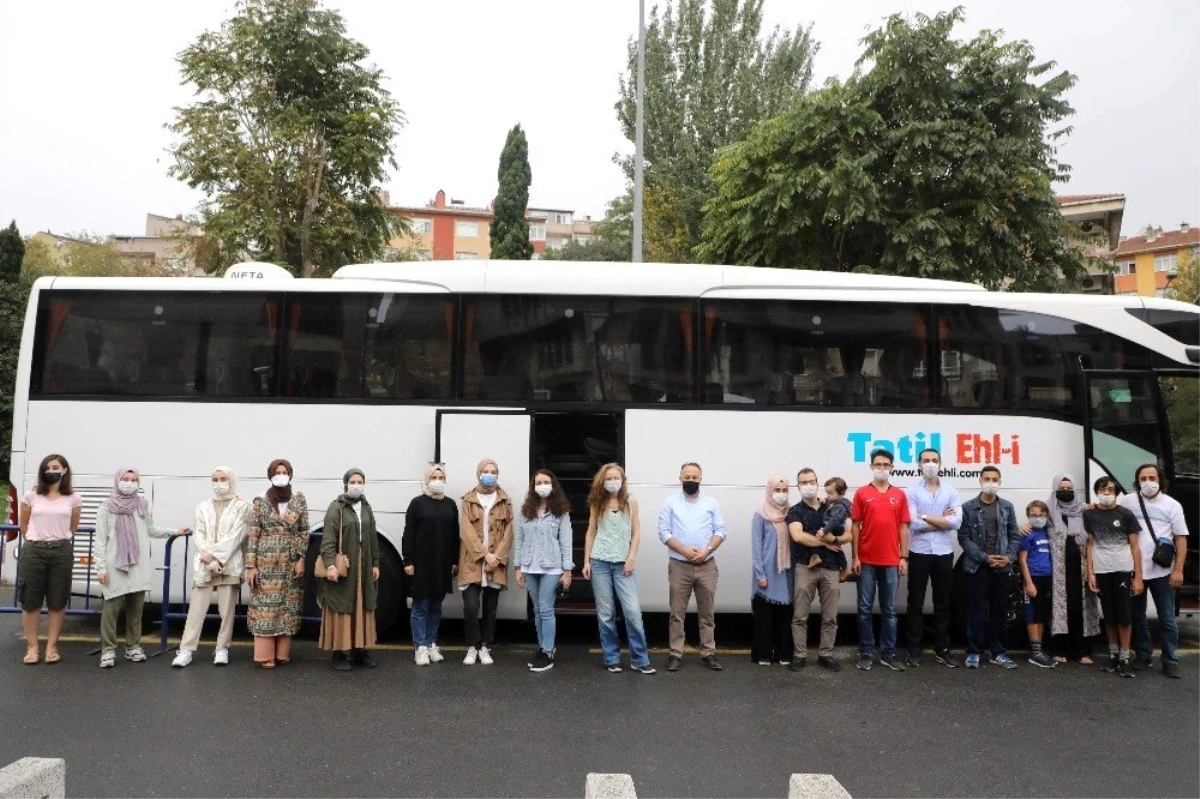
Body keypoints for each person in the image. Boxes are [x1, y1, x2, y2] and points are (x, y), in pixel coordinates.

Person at [95, 468, 183, 668]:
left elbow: (151, 529)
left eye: (133, 479)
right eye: (125, 479)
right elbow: (100, 541)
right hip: (114, 565)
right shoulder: (106, 508)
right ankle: (108, 649)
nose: (129, 482)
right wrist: (100, 568)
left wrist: (174, 532)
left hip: (138, 564)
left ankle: (132, 646)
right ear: (117, 480)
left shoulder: (141, 505)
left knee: (136, 610)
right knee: (111, 610)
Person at [173, 466, 251, 668]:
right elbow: (199, 535)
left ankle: (222, 648)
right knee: (196, 610)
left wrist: (216, 558)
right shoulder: (202, 506)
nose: (219, 482)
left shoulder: (243, 506)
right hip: (206, 565)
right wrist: (211, 561)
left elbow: (236, 537)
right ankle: (186, 650)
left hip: (229, 564)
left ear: (231, 480)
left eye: (223, 478)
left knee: (227, 611)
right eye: (215, 479)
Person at [582, 463, 654, 674]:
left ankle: (640, 659)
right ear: (602, 481)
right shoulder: (598, 502)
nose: (612, 481)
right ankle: (611, 657)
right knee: (606, 613)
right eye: (608, 478)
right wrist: (586, 561)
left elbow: (636, 533)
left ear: (622, 480)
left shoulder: (631, 502)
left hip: (623, 564)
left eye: (616, 477)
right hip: (600, 562)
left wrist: (632, 557)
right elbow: (590, 533)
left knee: (632, 612)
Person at [657, 462, 727, 672]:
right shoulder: (670, 503)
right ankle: (675, 654)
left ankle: (708, 653)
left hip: (706, 564)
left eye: (695, 477)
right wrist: (685, 551)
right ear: (680, 478)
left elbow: (721, 531)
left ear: (701, 479)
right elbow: (664, 532)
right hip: (679, 565)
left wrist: (706, 550)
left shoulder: (711, 503)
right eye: (687, 476)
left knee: (707, 614)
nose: (691, 480)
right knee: (677, 613)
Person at [1121, 463, 1189, 679]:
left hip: (1162, 571)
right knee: (1138, 616)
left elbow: (1180, 538)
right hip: (1136, 571)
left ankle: (1170, 660)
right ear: (1137, 481)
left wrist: (1178, 570)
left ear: (1160, 480)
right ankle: (1143, 656)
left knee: (1167, 619)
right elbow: (1106, 510)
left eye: (1152, 477)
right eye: (1143, 478)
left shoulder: (1172, 505)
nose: (1148, 482)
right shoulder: (1127, 501)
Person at [17, 454, 82, 665]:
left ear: (64, 470)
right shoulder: (31, 495)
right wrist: (37, 540)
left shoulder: (73, 498)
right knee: (31, 602)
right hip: (34, 551)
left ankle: (52, 647)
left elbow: (72, 526)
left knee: (57, 601)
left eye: (55, 466)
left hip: (61, 551)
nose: (50, 470)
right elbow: (24, 524)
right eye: (47, 467)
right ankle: (33, 647)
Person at [246, 459, 310, 669]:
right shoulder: (260, 501)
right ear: (270, 475)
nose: (281, 475)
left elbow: (304, 531)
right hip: (266, 563)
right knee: (266, 607)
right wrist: (251, 566)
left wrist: (301, 558)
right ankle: (265, 655)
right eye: (277, 472)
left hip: (290, 562)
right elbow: (253, 535)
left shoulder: (299, 500)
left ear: (290, 474)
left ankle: (282, 653)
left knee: (288, 606)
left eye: (284, 472)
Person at [850, 449, 910, 672]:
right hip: (866, 560)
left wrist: (904, 556)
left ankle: (888, 653)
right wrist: (855, 556)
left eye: (886, 464)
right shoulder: (862, 493)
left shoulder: (899, 495)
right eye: (878, 464)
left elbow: (903, 527)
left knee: (890, 610)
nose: (882, 468)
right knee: (864, 609)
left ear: (892, 467)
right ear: (871, 466)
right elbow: (855, 526)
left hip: (892, 561)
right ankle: (866, 653)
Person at [904, 448, 962, 668]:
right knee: (915, 602)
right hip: (919, 552)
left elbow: (956, 522)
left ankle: (942, 649)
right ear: (919, 465)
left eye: (934, 460)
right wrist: (941, 520)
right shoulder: (911, 491)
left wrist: (926, 516)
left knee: (943, 603)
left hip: (943, 553)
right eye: (926, 461)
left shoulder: (951, 490)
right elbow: (912, 523)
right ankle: (914, 650)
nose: (930, 464)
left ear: (941, 463)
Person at [958, 466, 1020, 670]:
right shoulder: (968, 507)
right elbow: (964, 538)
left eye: (995, 479)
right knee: (975, 611)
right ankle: (974, 651)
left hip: (1002, 567)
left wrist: (1009, 557)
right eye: (987, 478)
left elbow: (1014, 535)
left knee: (999, 612)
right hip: (977, 567)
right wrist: (985, 558)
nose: (990, 483)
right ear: (980, 480)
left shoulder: (1007, 507)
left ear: (1000, 482)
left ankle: (999, 652)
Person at [318, 469, 380, 671]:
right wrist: (330, 565)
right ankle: (339, 652)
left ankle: (360, 650)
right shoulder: (336, 508)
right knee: (342, 605)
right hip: (345, 565)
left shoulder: (367, 507)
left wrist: (375, 563)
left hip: (364, 565)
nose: (356, 484)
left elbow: (372, 539)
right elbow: (328, 540)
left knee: (363, 605)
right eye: (352, 481)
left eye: (360, 481)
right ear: (346, 484)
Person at [786, 469, 846, 672]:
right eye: (803, 482)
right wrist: (826, 544)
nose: (808, 485)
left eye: (811, 481)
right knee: (800, 615)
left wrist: (835, 540)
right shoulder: (794, 511)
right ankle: (799, 655)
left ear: (817, 483)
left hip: (830, 568)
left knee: (830, 617)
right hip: (805, 567)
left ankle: (826, 654)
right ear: (798, 486)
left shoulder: (830, 507)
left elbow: (848, 535)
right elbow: (798, 536)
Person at [514, 469, 574, 672]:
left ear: (553, 484)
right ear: (533, 486)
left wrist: (567, 571)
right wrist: (518, 567)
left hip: (552, 567)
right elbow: (519, 541)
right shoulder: (525, 511)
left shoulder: (561, 511)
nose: (542, 485)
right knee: (537, 610)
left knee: (546, 609)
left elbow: (566, 542)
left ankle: (548, 651)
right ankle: (542, 648)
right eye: (538, 482)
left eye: (546, 481)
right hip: (530, 566)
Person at [1084, 475, 1143, 678]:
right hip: (1101, 570)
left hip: (1123, 570)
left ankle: (1125, 658)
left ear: (1116, 492)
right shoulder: (1089, 515)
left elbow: (1135, 547)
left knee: (1124, 617)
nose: (1106, 493)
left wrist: (1138, 577)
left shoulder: (1126, 514)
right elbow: (1090, 544)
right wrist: (1089, 572)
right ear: (1097, 492)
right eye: (1102, 489)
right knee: (1108, 617)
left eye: (1110, 489)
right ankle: (1113, 654)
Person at [458, 458, 514, 666]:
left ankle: (485, 647)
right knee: (471, 607)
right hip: (473, 562)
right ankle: (473, 646)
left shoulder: (505, 500)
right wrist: (484, 555)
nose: (490, 474)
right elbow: (466, 531)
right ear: (479, 473)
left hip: (495, 564)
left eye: (493, 471)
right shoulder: (468, 500)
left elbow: (509, 533)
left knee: (490, 608)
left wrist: (496, 557)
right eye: (486, 471)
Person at [404, 464, 459, 666]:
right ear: (427, 480)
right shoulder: (417, 503)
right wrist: (407, 561)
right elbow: (408, 533)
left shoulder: (451, 504)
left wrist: (455, 561)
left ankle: (431, 643)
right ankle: (419, 647)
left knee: (436, 606)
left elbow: (455, 536)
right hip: (421, 563)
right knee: (420, 606)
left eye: (441, 477)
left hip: (442, 563)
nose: (438, 480)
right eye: (434, 477)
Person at [1045, 473, 1100, 664]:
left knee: (1081, 608)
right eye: (1062, 488)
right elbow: (1034, 520)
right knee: (1061, 608)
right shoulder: (1048, 511)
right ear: (1055, 488)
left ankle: (1083, 651)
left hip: (1081, 569)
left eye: (1069, 488)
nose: (1066, 491)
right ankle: (1060, 649)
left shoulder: (1084, 510)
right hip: (1059, 571)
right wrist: (1026, 525)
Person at [750, 475, 794, 666]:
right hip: (766, 572)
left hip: (786, 572)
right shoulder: (761, 515)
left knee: (785, 616)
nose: (781, 494)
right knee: (765, 617)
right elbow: (756, 547)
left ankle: (784, 653)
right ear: (770, 491)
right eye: (777, 490)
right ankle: (763, 654)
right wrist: (760, 574)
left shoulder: (792, 513)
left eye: (784, 490)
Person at [1018, 500, 1056, 669]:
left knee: (1042, 614)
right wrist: (1029, 583)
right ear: (1028, 516)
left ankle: (1039, 649)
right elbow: (1022, 560)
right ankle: (1034, 652)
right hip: (1033, 578)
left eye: (1041, 514)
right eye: (1034, 515)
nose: (1038, 518)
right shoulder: (1027, 534)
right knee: (1032, 615)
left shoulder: (1048, 532)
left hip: (1047, 578)